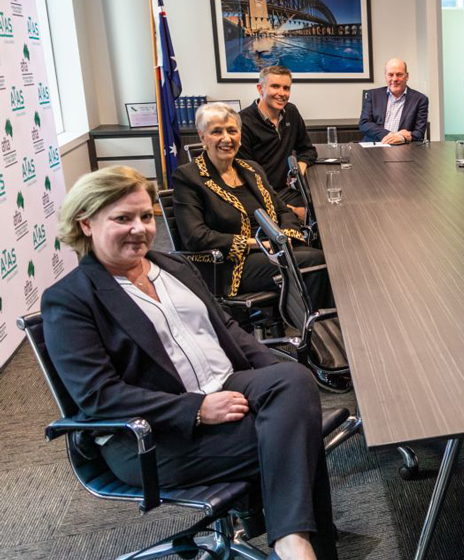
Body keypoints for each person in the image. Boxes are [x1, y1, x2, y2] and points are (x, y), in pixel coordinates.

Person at [43, 166, 338, 560]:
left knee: (294, 380)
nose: (139, 229)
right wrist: (196, 409)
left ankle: (291, 541)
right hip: (155, 435)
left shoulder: (172, 266)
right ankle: (297, 543)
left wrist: (271, 376)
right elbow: (100, 396)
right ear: (86, 224)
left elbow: (227, 329)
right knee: (295, 430)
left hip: (226, 385)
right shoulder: (71, 299)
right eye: (122, 219)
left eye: (146, 216)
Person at [171, 102, 331, 311]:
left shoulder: (252, 169)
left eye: (232, 131)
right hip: (229, 265)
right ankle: (315, 326)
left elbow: (282, 210)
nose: (226, 138)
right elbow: (195, 237)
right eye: (217, 132)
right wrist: (258, 244)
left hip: (274, 251)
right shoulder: (188, 177)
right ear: (202, 137)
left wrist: (284, 236)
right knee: (315, 262)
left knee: (328, 256)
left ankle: (315, 322)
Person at [236, 65, 317, 222]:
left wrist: (299, 167)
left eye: (286, 88)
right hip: (259, 197)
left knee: (327, 206)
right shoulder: (242, 122)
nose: (282, 93)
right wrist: (292, 211)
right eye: (275, 86)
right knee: (312, 219)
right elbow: (247, 180)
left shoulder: (291, 112)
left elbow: (308, 150)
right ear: (260, 89)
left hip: (288, 190)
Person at [358, 58, 428, 144]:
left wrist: (402, 138)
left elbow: (419, 133)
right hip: (374, 145)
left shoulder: (420, 99)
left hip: (403, 147)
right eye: (390, 75)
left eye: (399, 74)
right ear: (385, 76)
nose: (394, 79)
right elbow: (364, 124)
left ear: (407, 76)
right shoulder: (372, 95)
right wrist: (391, 135)